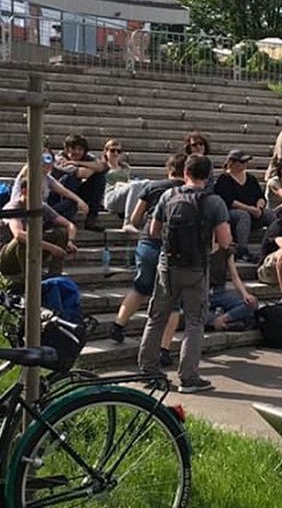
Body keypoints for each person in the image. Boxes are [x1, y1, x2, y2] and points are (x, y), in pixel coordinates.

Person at [138, 154, 231, 394]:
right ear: (208, 175)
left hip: (167, 267)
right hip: (196, 269)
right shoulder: (214, 202)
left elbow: (154, 230)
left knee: (156, 318)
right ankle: (188, 378)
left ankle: (148, 370)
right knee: (194, 322)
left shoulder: (169, 195)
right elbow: (225, 239)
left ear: (185, 172)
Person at [109, 154, 186, 365]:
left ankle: (119, 324)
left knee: (140, 287)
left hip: (147, 244)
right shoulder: (188, 192)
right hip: (174, 249)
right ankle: (163, 349)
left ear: (168, 169)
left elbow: (134, 218)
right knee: (174, 301)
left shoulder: (152, 187)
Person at [0, 179, 78, 291]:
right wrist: (52, 248)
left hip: (29, 250)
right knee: (25, 239)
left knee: (61, 233)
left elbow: (69, 225)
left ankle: (54, 276)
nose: (40, 197)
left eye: (41, 193)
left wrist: (70, 241)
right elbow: (19, 235)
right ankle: (29, 282)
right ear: (24, 191)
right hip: (6, 258)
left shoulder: (41, 206)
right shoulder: (13, 207)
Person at [213, 149, 274, 263]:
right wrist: (249, 209)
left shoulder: (250, 178)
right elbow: (229, 201)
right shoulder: (224, 179)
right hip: (233, 215)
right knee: (243, 215)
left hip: (254, 212)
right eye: (241, 162)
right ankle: (242, 250)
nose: (244, 165)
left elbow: (260, 196)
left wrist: (259, 207)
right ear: (232, 163)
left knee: (270, 215)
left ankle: (272, 245)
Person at [11, 149, 87, 224]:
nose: (46, 164)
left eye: (50, 160)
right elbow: (28, 167)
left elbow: (64, 191)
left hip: (42, 211)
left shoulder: (47, 178)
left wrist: (80, 200)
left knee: (71, 202)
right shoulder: (27, 173)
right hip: (24, 212)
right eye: (43, 160)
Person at [52, 133, 109, 231]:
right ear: (67, 149)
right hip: (58, 198)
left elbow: (104, 166)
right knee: (69, 178)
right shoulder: (59, 159)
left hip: (75, 195)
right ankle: (65, 217)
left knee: (100, 178)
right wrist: (93, 167)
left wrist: (78, 163)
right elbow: (82, 173)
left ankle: (91, 218)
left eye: (80, 149)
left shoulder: (85, 158)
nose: (77, 152)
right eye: (73, 149)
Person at [206, 246, 258, 331]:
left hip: (219, 292)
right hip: (200, 293)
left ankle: (220, 320)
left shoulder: (227, 251)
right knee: (196, 314)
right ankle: (226, 323)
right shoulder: (197, 248)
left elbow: (235, 276)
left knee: (252, 303)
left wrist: (245, 294)